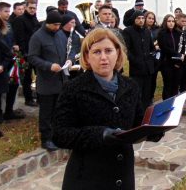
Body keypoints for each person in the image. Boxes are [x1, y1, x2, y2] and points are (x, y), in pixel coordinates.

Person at [52, 28, 162, 190]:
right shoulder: (73, 88)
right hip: (87, 178)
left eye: (108, 50)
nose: (103, 57)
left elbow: (137, 122)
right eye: (96, 52)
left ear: (118, 53)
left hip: (122, 175)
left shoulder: (130, 86)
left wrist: (155, 128)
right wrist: (100, 134)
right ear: (87, 57)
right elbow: (60, 134)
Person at [28, 11, 72, 151]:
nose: (57, 27)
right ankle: (46, 138)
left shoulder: (60, 35)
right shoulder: (37, 37)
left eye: (59, 25)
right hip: (46, 81)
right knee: (47, 112)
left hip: (61, 80)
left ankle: (57, 135)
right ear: (48, 23)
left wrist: (69, 59)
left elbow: (68, 49)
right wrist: (49, 66)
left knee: (59, 111)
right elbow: (32, 57)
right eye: (55, 25)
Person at [0, 1, 25, 120]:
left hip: (11, 60)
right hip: (0, 61)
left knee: (13, 85)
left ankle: (9, 111)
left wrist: (14, 46)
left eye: (9, 11)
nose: (8, 14)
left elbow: (11, 39)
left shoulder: (8, 25)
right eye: (5, 11)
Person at [122, 11, 155, 107]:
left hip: (148, 68)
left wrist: (152, 59)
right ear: (134, 19)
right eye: (138, 18)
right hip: (136, 68)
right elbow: (126, 49)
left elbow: (152, 48)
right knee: (137, 93)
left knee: (147, 94)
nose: (141, 21)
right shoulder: (128, 31)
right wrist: (135, 60)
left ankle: (145, 115)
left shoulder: (147, 31)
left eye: (142, 18)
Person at [12, 0, 40, 107]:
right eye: (30, 8)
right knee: (27, 78)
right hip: (26, 53)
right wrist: (24, 53)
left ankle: (38, 97)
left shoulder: (35, 19)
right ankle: (28, 99)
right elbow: (20, 37)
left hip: (36, 52)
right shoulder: (20, 20)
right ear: (26, 8)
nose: (33, 10)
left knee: (38, 76)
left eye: (34, 8)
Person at [157, 15, 183, 99]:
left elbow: (181, 46)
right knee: (168, 85)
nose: (171, 23)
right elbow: (165, 48)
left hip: (178, 63)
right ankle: (166, 107)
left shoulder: (178, 33)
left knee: (176, 85)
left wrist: (179, 60)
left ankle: (174, 105)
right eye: (169, 21)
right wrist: (178, 55)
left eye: (173, 21)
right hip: (166, 63)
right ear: (165, 22)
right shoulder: (161, 33)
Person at [144, 11, 161, 104]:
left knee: (153, 79)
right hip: (145, 57)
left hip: (155, 58)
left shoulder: (157, 30)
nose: (151, 20)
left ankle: (151, 97)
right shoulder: (142, 29)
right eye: (149, 18)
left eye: (152, 18)